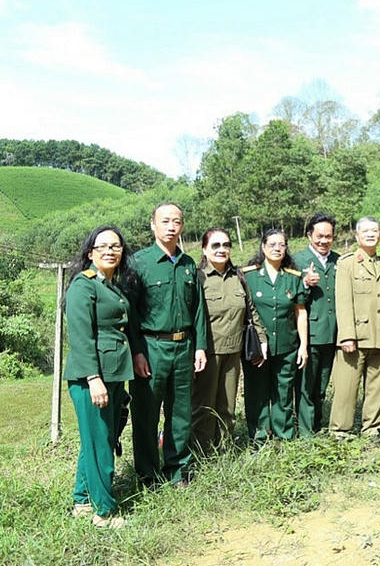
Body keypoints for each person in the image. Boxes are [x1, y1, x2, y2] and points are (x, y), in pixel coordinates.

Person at [129, 203, 207, 487]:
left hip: (184, 346)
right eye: (165, 221)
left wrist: (199, 347)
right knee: (146, 412)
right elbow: (131, 312)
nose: (171, 226)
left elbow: (199, 309)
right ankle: (148, 474)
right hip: (152, 348)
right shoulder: (138, 263)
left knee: (181, 413)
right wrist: (137, 351)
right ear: (153, 225)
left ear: (182, 226)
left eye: (176, 221)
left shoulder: (188, 265)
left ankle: (177, 470)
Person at [65, 226, 134, 528]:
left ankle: (82, 501)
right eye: (103, 246)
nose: (110, 251)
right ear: (90, 252)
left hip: (114, 373)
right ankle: (104, 511)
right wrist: (94, 378)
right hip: (92, 377)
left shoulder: (111, 286)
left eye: (116, 246)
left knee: (96, 440)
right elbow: (80, 336)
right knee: (101, 444)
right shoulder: (84, 284)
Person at [191, 228, 266, 454]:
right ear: (204, 249)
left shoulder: (238, 277)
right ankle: (200, 454)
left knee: (227, 407)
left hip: (234, 353)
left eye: (226, 245)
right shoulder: (198, 278)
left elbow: (251, 311)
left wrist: (261, 340)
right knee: (203, 408)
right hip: (208, 353)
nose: (222, 249)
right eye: (216, 245)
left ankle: (222, 451)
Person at [243, 229, 308, 443]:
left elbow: (300, 313)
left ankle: (284, 435)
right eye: (272, 244)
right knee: (257, 394)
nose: (277, 249)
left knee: (283, 393)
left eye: (281, 245)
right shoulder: (249, 276)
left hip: (287, 346)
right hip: (257, 348)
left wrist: (303, 346)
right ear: (263, 247)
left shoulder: (292, 277)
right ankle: (259, 437)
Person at [330, 217, 380, 439]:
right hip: (355, 335)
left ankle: (372, 427)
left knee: (377, 385)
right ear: (357, 236)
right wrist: (347, 336)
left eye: (375, 230)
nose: (371, 234)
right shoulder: (347, 263)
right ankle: (341, 430)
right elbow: (343, 302)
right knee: (347, 387)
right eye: (365, 231)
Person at [294, 213, 340, 436]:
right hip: (309, 333)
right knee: (306, 386)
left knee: (322, 384)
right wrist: (304, 282)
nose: (324, 241)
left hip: (333, 334)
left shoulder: (339, 260)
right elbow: (288, 295)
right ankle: (305, 430)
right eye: (319, 236)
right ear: (309, 235)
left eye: (328, 237)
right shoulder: (296, 260)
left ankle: (317, 423)